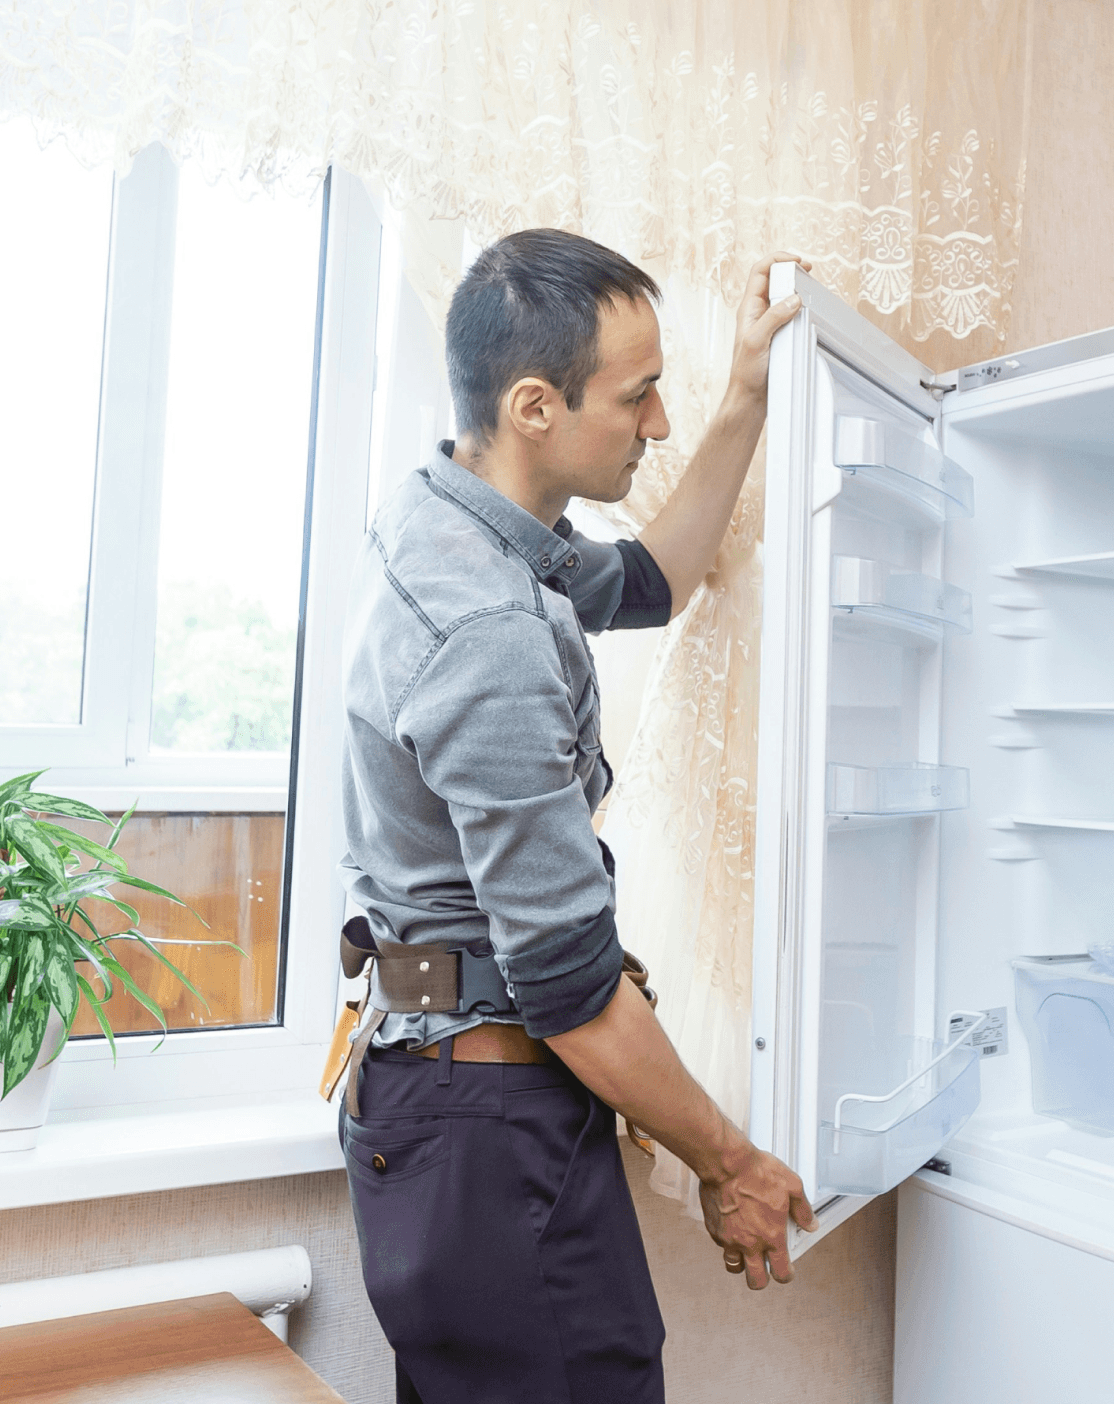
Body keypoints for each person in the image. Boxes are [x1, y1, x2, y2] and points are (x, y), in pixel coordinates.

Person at [334, 229, 817, 1404]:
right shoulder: (488, 629)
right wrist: (731, 1161)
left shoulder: (464, 527)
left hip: (449, 1092)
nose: (656, 424)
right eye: (638, 395)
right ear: (537, 405)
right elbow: (562, 983)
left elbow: (653, 579)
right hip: (491, 1120)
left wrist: (748, 394)